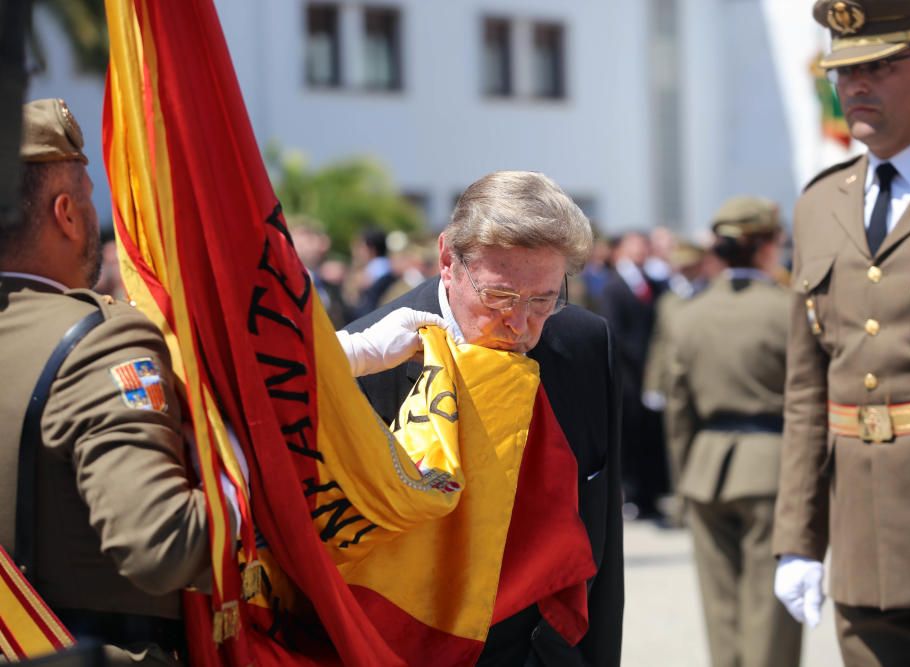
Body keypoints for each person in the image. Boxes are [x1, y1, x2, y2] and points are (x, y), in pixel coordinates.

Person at [0, 99, 438, 665]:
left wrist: (339, 356)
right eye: (89, 201)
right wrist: (241, 445)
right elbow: (166, 544)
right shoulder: (98, 340)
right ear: (65, 213)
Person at [772, 2, 910, 664]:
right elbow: (806, 391)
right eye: (845, 71)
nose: (857, 87)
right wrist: (798, 537)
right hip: (865, 548)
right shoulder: (821, 203)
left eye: (879, 67)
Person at [346, 170, 624, 666]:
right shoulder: (361, 361)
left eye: (543, 299)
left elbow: (604, 544)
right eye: (498, 296)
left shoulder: (584, 343)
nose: (519, 325)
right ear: (448, 261)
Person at [665, 197, 800, 667]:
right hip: (774, 466)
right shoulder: (789, 309)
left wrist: (683, 480)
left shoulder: (689, 313)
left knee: (720, 606)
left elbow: (678, 412)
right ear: (768, 245)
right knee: (770, 606)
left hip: (707, 466)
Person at [600, 231, 668, 521]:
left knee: (651, 434)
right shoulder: (614, 286)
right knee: (630, 435)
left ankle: (650, 495)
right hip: (629, 374)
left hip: (651, 372)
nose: (641, 250)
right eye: (635, 245)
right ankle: (633, 493)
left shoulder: (654, 283)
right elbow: (615, 329)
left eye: (644, 245)